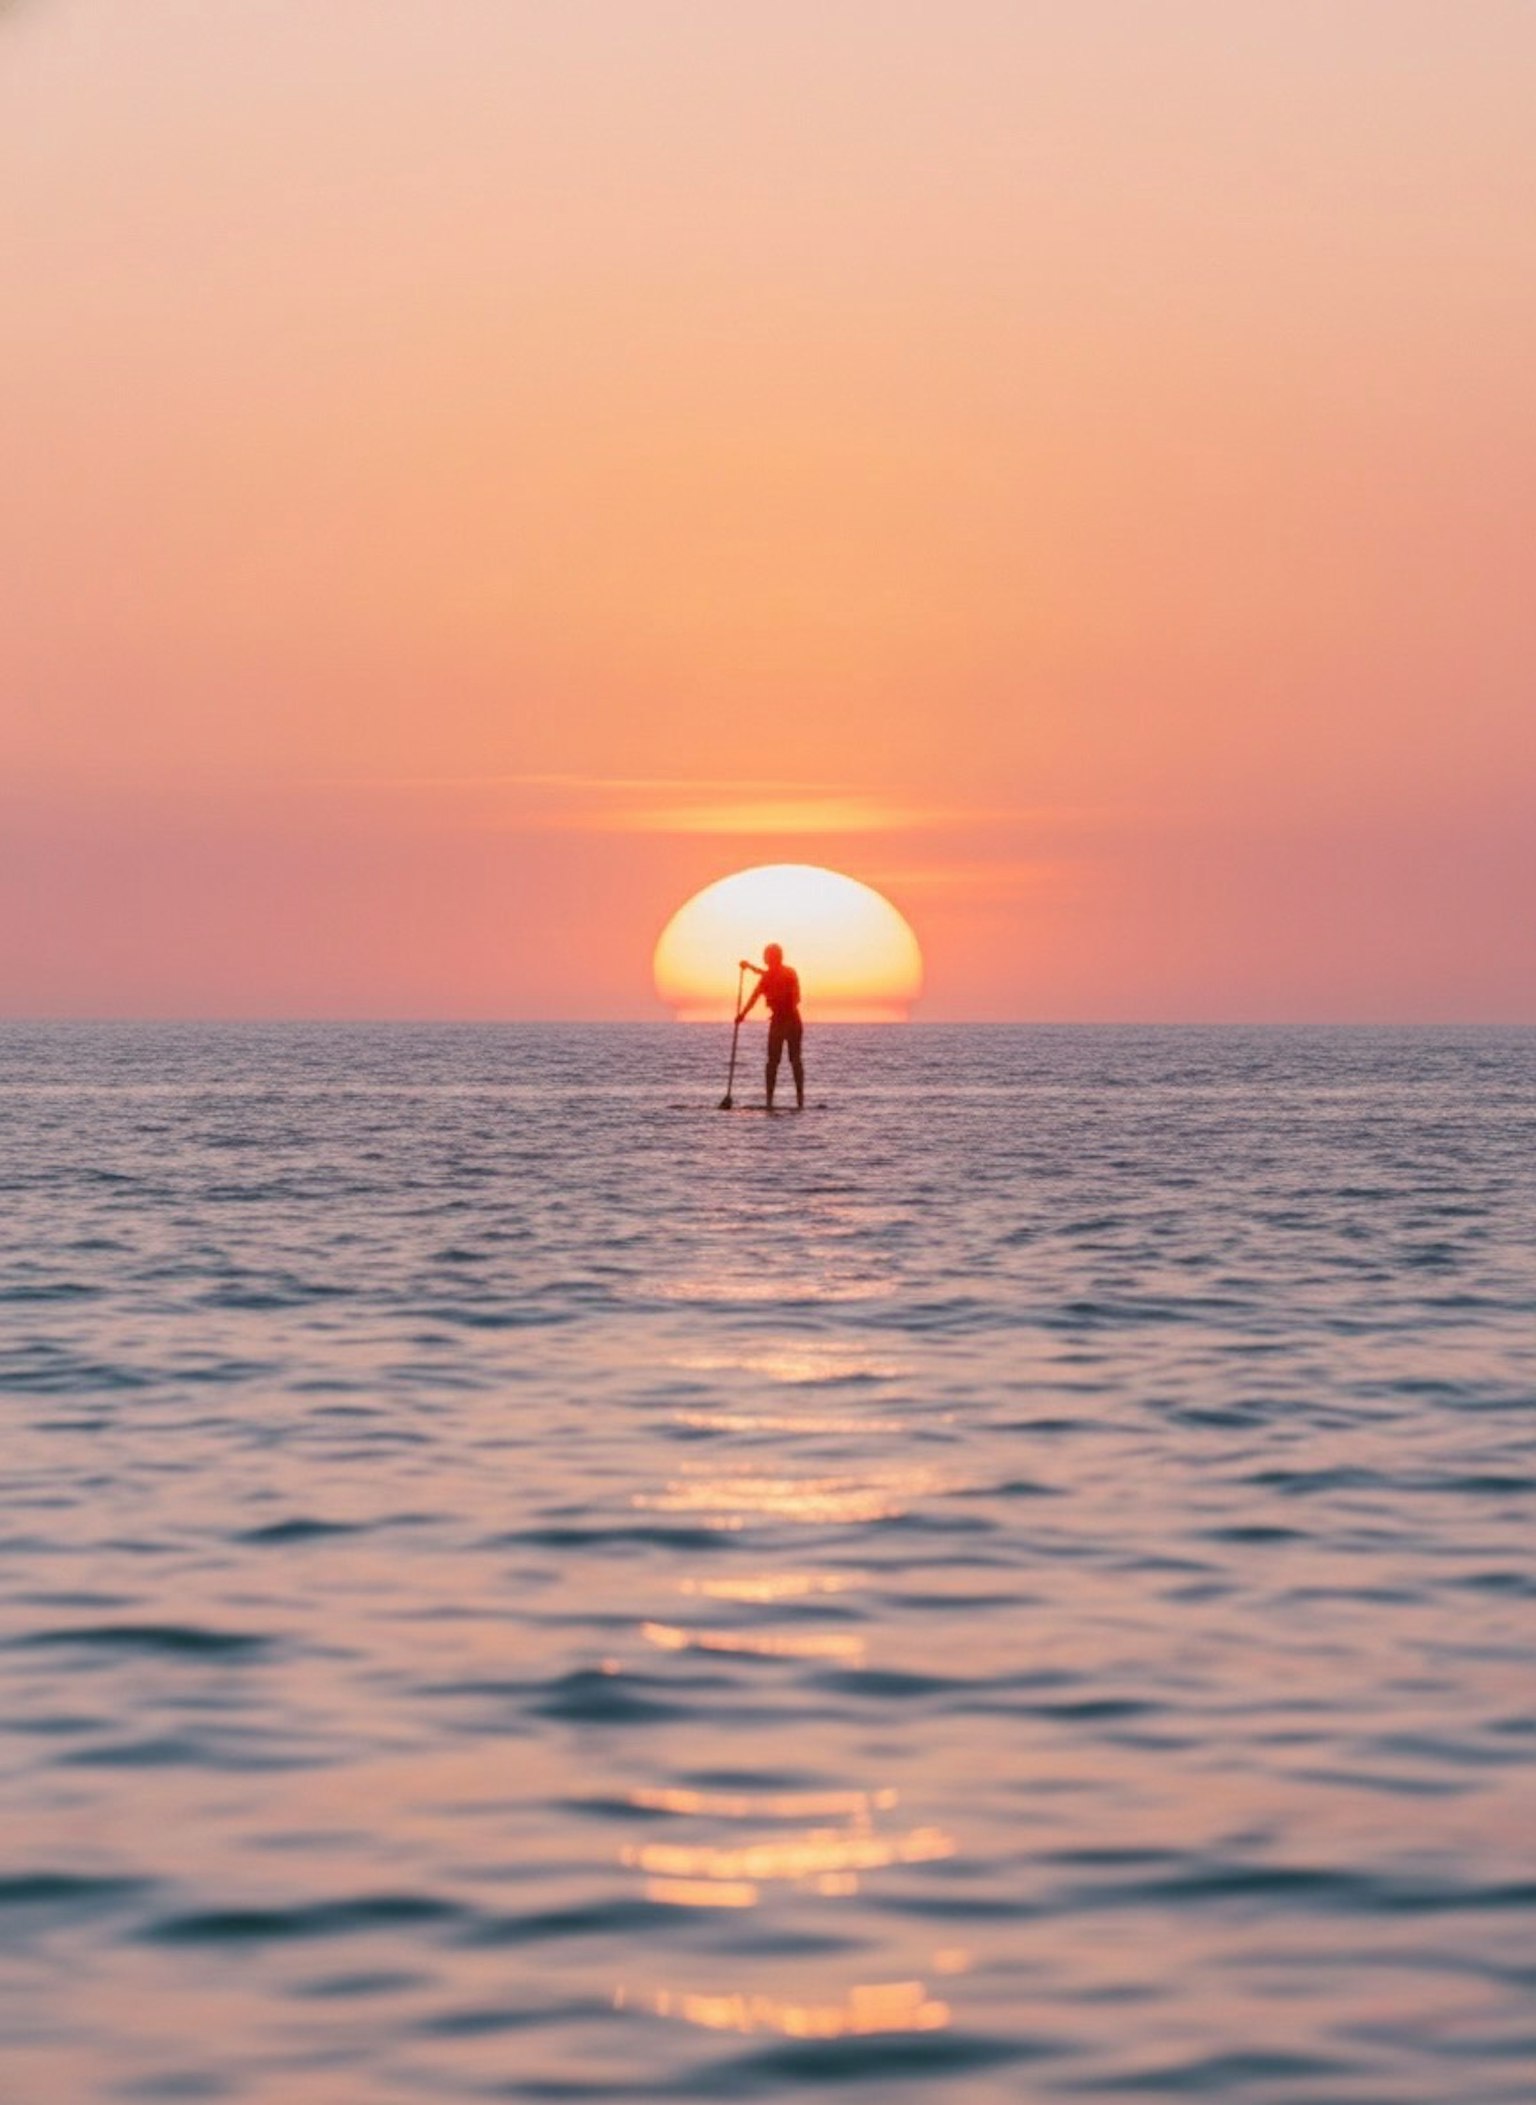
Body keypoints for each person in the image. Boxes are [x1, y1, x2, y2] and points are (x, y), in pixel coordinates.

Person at [737, 943, 805, 1110]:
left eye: (767, 956)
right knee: (773, 1062)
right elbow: (754, 996)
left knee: (794, 1060)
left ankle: (800, 1100)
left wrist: (750, 967)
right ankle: (769, 1101)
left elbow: (795, 995)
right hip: (778, 1021)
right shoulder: (767, 977)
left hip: (791, 1020)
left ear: (774, 957)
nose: (765, 959)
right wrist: (742, 1015)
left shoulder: (788, 973)